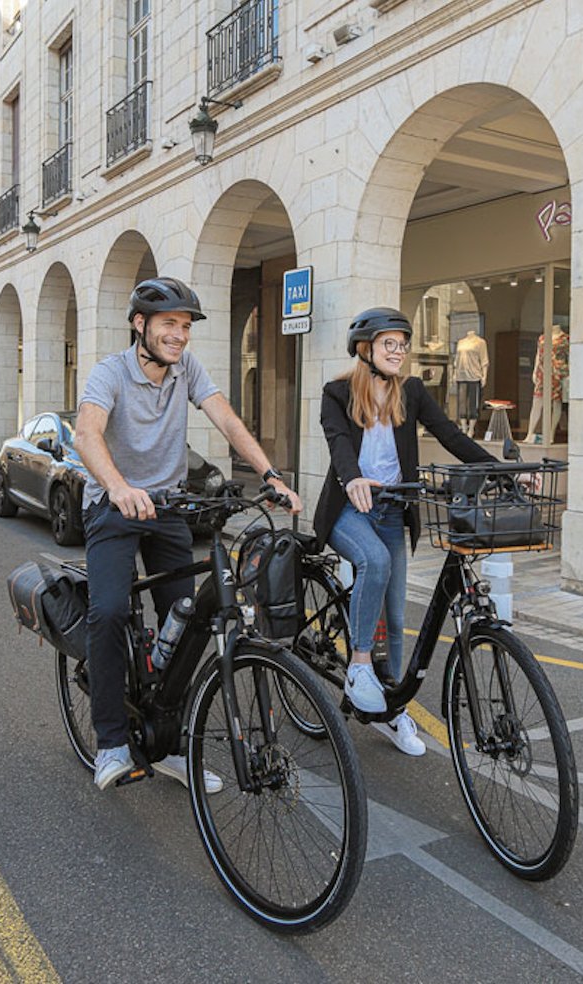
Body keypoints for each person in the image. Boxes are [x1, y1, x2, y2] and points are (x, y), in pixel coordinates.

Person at [75, 276, 301, 791]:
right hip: (114, 504)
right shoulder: (110, 373)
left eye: (185, 326)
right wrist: (117, 486)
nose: (179, 335)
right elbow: (86, 433)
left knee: (191, 618)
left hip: (169, 505)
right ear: (140, 326)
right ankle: (111, 742)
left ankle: (172, 743)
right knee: (108, 611)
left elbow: (227, 421)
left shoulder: (186, 370)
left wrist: (270, 476)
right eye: (169, 325)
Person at [313, 307, 495, 756]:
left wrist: (501, 470)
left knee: (396, 620)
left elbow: (448, 433)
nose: (398, 351)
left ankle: (393, 711)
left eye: (402, 344)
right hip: (350, 508)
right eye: (389, 344)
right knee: (372, 562)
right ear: (365, 349)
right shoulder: (336, 392)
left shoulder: (411, 391)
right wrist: (353, 476)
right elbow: (338, 443)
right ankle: (358, 665)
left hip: (392, 510)